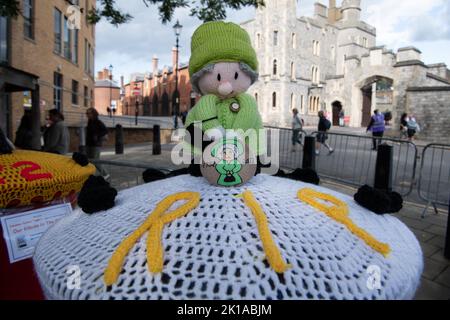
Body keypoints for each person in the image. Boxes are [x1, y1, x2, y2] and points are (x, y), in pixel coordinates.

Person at [85, 107, 109, 178]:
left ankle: (105, 174)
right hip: (89, 143)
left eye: (88, 113)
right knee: (89, 161)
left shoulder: (98, 122)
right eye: (86, 113)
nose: (87, 115)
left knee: (95, 160)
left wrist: (97, 136)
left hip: (96, 144)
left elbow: (105, 131)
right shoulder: (89, 122)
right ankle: (91, 175)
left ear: (93, 114)